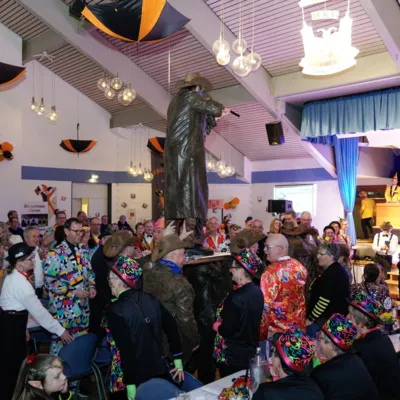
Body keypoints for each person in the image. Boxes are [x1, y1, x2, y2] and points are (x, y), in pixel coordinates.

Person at [105, 254, 184, 399]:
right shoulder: (151, 299)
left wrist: (130, 385)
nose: (109, 283)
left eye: (110, 279)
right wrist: (177, 361)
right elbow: (172, 326)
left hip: (132, 375)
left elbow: (126, 350)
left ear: (120, 282)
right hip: (158, 369)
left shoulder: (115, 310)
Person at [0, 243, 72, 399]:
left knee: (13, 366)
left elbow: (12, 306)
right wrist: (60, 330)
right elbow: (40, 313)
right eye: (30, 259)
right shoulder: (21, 284)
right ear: (19, 263)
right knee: (13, 368)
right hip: (11, 328)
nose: (33, 261)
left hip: (12, 323)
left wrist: (23, 327)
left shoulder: (13, 276)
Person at [164, 72, 227, 250]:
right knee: (191, 196)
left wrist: (215, 117)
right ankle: (189, 241)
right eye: (202, 90)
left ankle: (172, 242)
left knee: (179, 199)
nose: (203, 93)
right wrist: (220, 109)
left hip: (178, 154)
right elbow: (213, 107)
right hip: (188, 154)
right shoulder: (190, 97)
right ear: (198, 87)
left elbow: (201, 128)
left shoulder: (176, 102)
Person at [144, 231, 199, 365]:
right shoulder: (180, 283)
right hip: (173, 342)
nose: (185, 257)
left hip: (151, 334)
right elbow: (185, 319)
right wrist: (194, 340)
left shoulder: (148, 270)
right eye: (183, 254)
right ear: (174, 256)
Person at [44, 218, 96, 355]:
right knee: (60, 350)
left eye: (81, 231)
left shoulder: (83, 251)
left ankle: (77, 369)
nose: (80, 234)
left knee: (79, 349)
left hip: (82, 309)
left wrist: (92, 287)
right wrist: (73, 292)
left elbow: (90, 273)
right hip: (63, 310)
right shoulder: (55, 253)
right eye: (76, 231)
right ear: (66, 231)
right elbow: (50, 282)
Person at [213, 249, 264, 377]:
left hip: (232, 355)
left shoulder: (235, 298)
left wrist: (217, 326)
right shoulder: (258, 291)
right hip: (250, 352)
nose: (230, 270)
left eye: (233, 268)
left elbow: (227, 330)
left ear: (241, 271)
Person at [311, 313, 380, 399]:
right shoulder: (356, 359)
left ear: (331, 346)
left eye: (320, 338)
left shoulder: (321, 374)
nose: (317, 341)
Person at [348, 293, 400, 400]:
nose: (347, 317)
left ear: (361, 323)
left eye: (351, 315)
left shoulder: (361, 348)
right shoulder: (381, 336)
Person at [253, 327, 324, 400]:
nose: (271, 357)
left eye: (272, 351)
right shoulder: (316, 391)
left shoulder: (266, 393)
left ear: (278, 360)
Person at [260, 234, 308, 340]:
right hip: (298, 330)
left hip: (277, 334)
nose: (264, 250)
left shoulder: (271, 271)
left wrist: (261, 333)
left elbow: (265, 305)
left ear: (280, 249)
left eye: (268, 247)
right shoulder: (299, 266)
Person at [306, 242, 350, 336]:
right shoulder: (335, 269)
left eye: (321, 254)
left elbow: (324, 300)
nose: (317, 256)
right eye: (318, 253)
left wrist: (311, 319)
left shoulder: (331, 274)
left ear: (331, 257)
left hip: (324, 320)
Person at [23, 227, 44, 294]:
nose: (37, 239)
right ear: (26, 238)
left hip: (40, 287)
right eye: (34, 236)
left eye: (38, 236)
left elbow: (43, 265)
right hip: (26, 288)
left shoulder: (39, 250)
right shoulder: (20, 253)